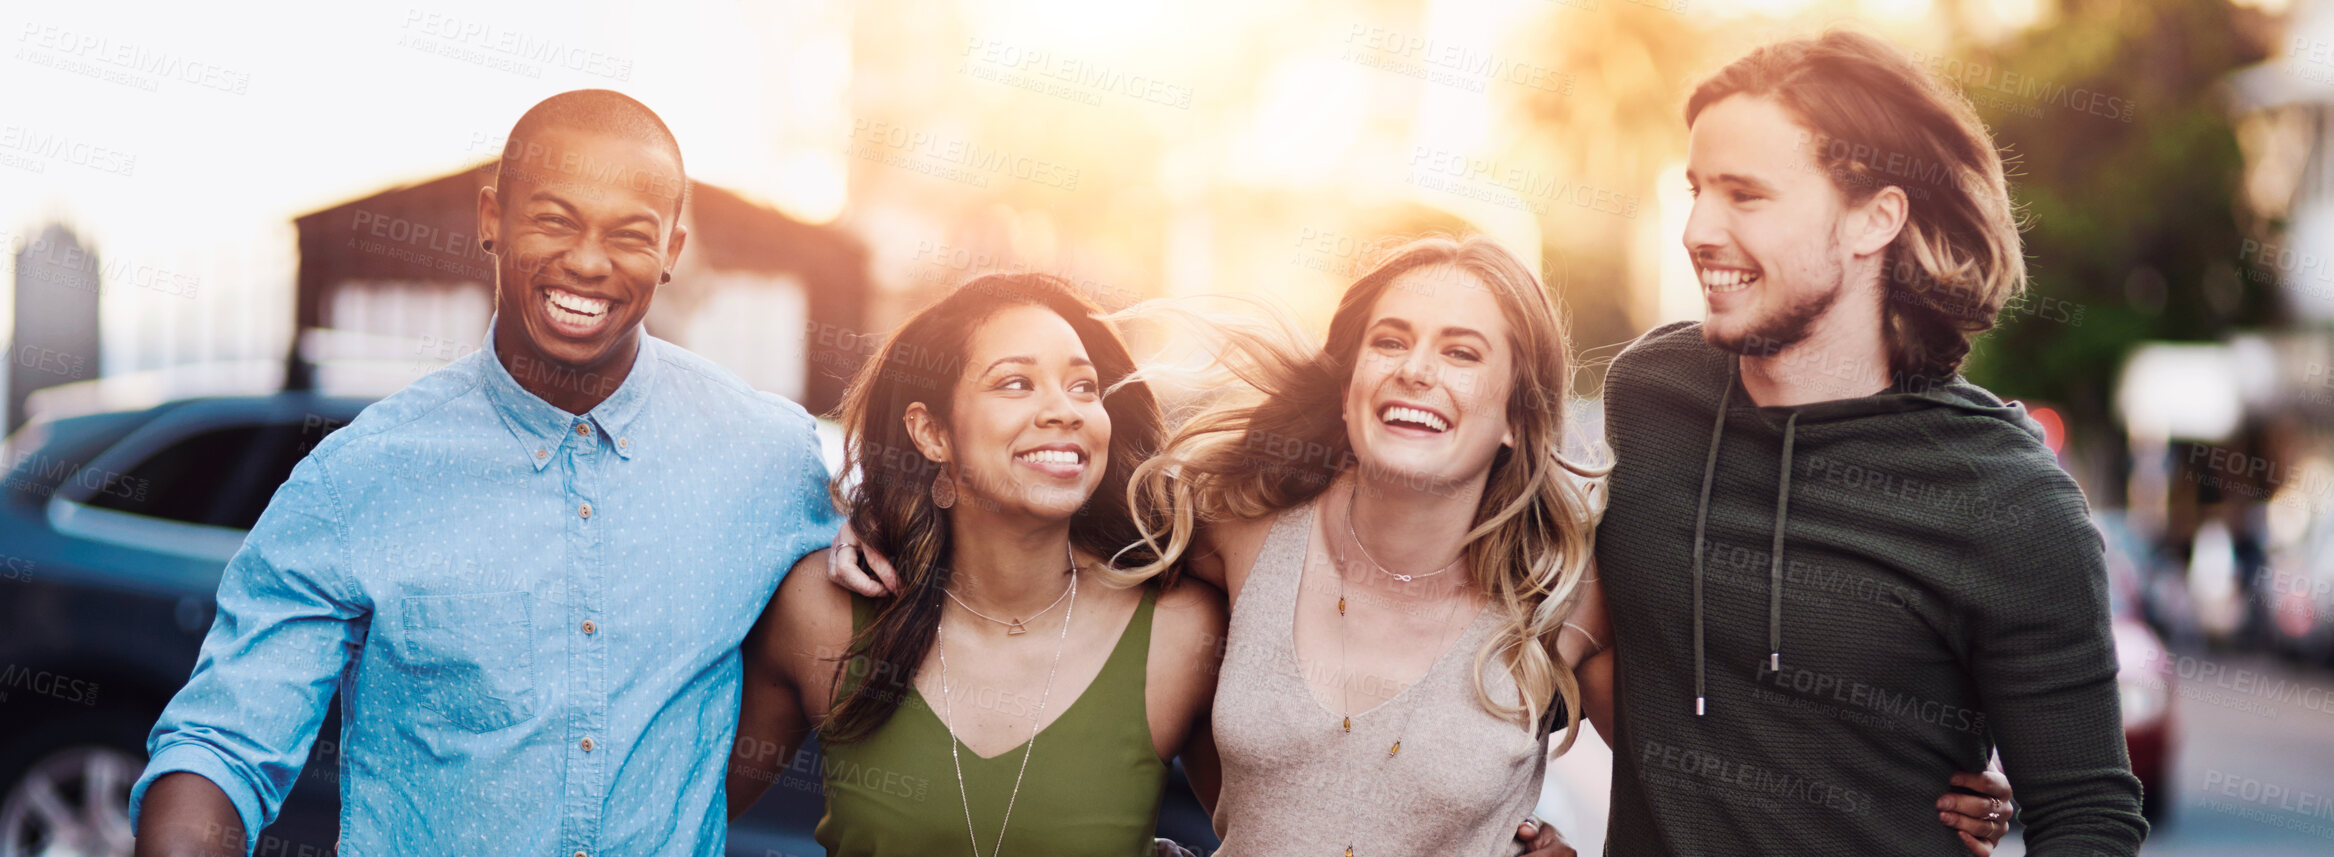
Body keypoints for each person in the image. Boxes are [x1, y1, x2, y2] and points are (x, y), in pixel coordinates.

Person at [832, 236, 2013, 856]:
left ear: (1513, 411)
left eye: (1462, 351)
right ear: (1350, 378)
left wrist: (1907, 792)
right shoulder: (1239, 532)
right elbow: (1034, 525)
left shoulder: (1559, 593)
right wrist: (866, 520)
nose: (1416, 369)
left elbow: (1713, 776)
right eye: (1392, 339)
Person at [130, 90, 842, 857]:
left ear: (670, 250)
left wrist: (880, 530)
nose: (588, 261)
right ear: (490, 220)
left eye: (630, 235)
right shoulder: (361, 478)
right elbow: (221, 747)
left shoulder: (770, 460)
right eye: (554, 220)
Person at [1593, 31, 2148, 856]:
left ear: (1875, 218)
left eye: (1745, 195)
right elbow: (1609, 655)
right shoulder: (1649, 394)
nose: (1698, 229)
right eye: (1697, 189)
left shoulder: (2008, 498)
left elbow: (2088, 819)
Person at [724, 274, 1229, 856]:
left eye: (1084, 386)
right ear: (931, 432)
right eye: (1016, 383)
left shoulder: (1180, 631)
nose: (1064, 410)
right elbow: (677, 814)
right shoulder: (822, 611)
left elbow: (1279, 828)